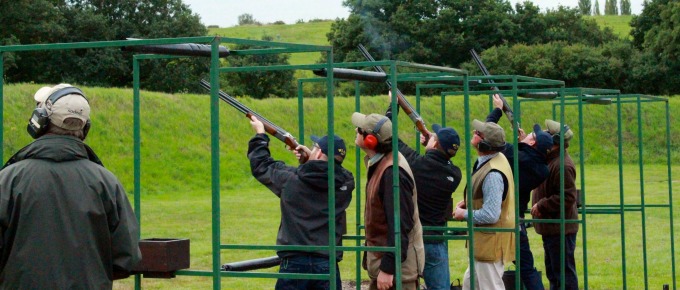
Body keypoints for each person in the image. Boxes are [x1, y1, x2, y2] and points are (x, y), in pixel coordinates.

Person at [0, 84, 141, 289]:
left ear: (39, 120)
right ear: (85, 127)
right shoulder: (106, 183)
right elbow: (126, 258)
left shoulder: (7, 181)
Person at [247, 115, 355, 290]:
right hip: (326, 262)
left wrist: (260, 134)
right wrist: (310, 161)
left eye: (315, 147)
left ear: (319, 152)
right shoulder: (345, 184)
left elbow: (260, 165)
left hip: (294, 262)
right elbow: (336, 173)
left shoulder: (290, 179)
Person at [385, 98, 462, 290]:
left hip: (414, 239)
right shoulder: (455, 173)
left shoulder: (417, 165)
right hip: (436, 238)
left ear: (435, 145)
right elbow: (436, 164)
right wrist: (432, 145)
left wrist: (393, 105)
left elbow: (388, 136)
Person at [486, 95, 553, 290]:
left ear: (532, 144)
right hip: (517, 219)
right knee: (527, 269)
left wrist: (498, 110)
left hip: (499, 219)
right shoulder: (541, 168)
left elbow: (489, 135)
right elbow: (526, 156)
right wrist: (524, 143)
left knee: (488, 266)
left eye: (532, 136)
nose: (530, 134)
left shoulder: (518, 156)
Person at [351, 112, 424, 290]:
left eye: (359, 130)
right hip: (391, 267)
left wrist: (388, 268)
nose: (355, 130)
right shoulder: (385, 164)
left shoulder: (393, 173)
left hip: (397, 272)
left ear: (370, 141)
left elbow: (401, 224)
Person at [453, 119, 515, 290]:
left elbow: (491, 214)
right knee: (469, 284)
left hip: (490, 244)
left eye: (478, 134)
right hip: (485, 243)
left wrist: (463, 214)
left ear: (485, 145)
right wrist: (469, 203)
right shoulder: (493, 160)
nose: (474, 132)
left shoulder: (493, 174)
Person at [531, 119, 578, 290]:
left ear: (555, 141)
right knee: (554, 274)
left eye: (548, 133)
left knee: (563, 275)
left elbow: (567, 197)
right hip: (553, 227)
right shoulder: (552, 159)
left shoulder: (563, 165)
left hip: (560, 228)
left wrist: (542, 205)